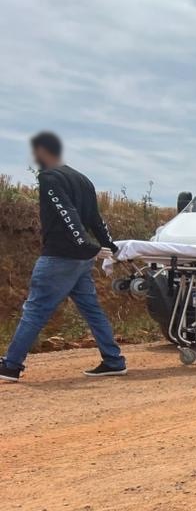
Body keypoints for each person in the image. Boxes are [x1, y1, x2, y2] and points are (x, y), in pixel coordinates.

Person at [1, 132, 127, 383]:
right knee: (91, 309)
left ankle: (11, 365)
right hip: (81, 262)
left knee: (35, 309)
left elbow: (66, 213)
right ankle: (113, 360)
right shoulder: (82, 179)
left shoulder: (49, 178)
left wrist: (87, 246)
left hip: (60, 257)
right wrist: (108, 245)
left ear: (42, 152)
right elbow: (95, 218)